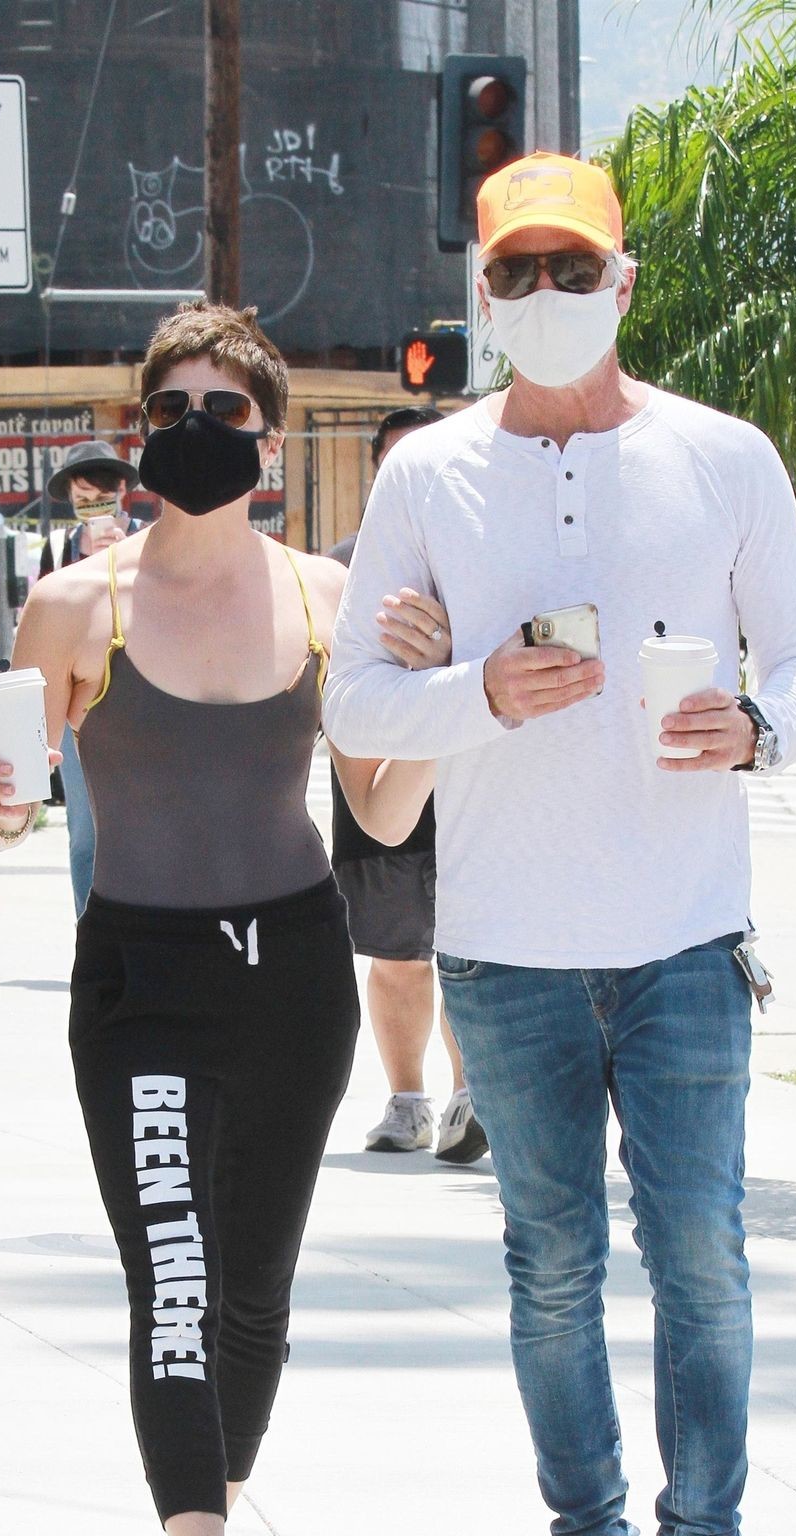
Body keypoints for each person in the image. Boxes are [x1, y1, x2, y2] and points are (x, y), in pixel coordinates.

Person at [324, 153, 796, 1536]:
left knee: (703, 1261)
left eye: (572, 269)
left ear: (623, 281)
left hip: (687, 936)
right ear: (481, 296)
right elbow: (355, 706)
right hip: (502, 950)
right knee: (551, 1269)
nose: (545, 295)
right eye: (516, 273)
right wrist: (477, 691)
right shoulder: (426, 475)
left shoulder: (725, 457)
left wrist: (757, 726)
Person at [0, 303, 449, 1536]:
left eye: (223, 410)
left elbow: (379, 809)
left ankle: (201, 1535)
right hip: (142, 979)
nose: (194, 429)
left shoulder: (326, 599)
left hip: (294, 972)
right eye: (168, 408)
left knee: (256, 1296)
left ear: (269, 440)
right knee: (173, 1273)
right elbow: (12, 805)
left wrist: (432, 701)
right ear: (138, 435)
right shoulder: (80, 604)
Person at [327, 407, 488, 1162]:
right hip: (379, 781)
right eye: (398, 463)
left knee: (467, 949)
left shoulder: (483, 557)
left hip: (472, 784)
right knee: (395, 954)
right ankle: (406, 1100)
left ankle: (468, 1095)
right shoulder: (347, 570)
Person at [38, 440, 141, 918]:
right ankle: (90, 933)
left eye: (101, 497)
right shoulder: (57, 548)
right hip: (74, 702)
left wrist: (121, 561)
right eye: (82, 498)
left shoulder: (144, 541)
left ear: (121, 492)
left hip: (137, 699)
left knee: (140, 824)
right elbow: (43, 619)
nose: (93, 507)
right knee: (84, 832)